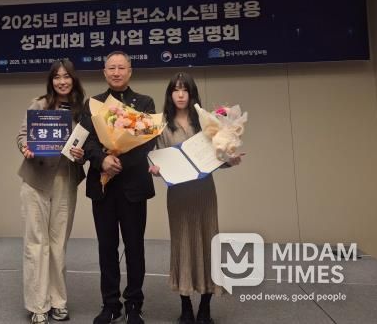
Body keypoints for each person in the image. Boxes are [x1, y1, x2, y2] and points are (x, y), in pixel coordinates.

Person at [149, 72, 242, 324]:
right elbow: (156, 158)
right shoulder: (161, 125)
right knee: (183, 245)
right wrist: (155, 169)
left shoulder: (205, 122)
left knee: (207, 243)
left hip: (204, 192)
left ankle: (205, 307)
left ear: (192, 94)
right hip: (178, 195)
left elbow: (217, 156)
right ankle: (186, 306)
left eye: (185, 90)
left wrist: (230, 159)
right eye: (176, 90)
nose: (180, 95)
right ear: (170, 94)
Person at [81, 51, 156, 324]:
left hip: (133, 186)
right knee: (107, 247)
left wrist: (118, 161)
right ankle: (110, 304)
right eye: (111, 68)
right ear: (104, 72)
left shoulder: (144, 102)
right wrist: (103, 160)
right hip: (103, 188)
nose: (116, 72)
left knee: (135, 247)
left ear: (130, 71)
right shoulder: (93, 104)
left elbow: (147, 141)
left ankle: (134, 303)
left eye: (121, 68)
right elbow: (86, 140)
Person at [17, 59, 86, 324]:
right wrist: (25, 147)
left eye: (66, 76)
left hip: (65, 179)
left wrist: (81, 154)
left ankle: (58, 301)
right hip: (35, 179)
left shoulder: (83, 109)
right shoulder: (39, 105)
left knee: (58, 244)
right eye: (57, 77)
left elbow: (88, 145)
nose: (62, 81)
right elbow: (22, 136)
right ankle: (38, 305)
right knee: (36, 243)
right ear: (51, 80)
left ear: (73, 79)